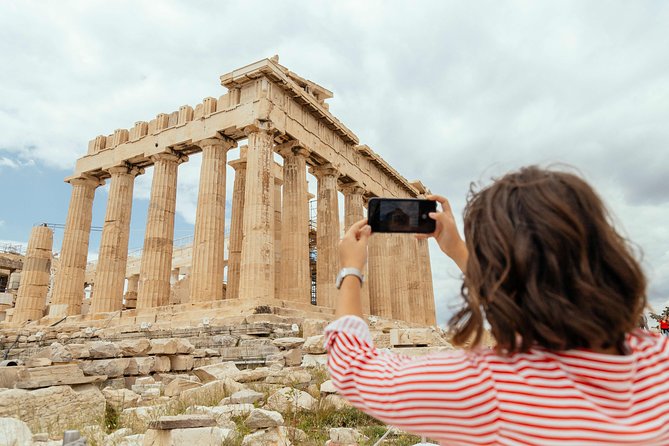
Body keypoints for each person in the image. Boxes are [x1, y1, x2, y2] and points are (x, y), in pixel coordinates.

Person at [325, 166, 669, 445]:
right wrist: (458, 249)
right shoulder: (659, 358)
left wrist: (351, 270)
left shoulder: (485, 389)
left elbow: (353, 369)